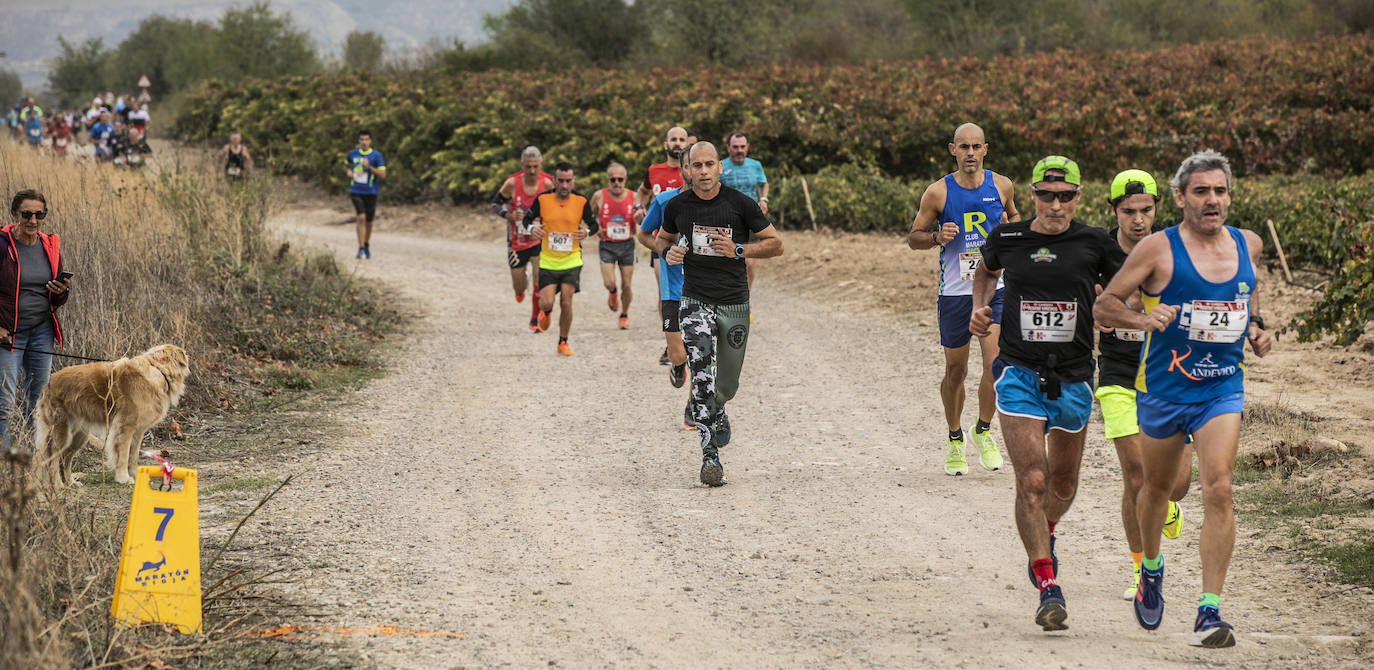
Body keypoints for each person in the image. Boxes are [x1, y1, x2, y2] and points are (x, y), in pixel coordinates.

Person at [1095, 150, 1273, 649]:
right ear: (1180, 198)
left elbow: (1249, 289)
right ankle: (1151, 566)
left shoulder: (1248, 243)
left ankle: (1208, 611)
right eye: (1201, 191)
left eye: (1219, 190)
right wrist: (1142, 319)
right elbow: (1105, 304)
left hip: (1221, 386)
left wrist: (1257, 327)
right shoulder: (1157, 248)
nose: (1212, 200)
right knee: (1156, 488)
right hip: (1164, 389)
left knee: (1218, 487)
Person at [970, 155, 1126, 632]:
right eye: (1046, 195)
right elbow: (984, 270)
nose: (1055, 204)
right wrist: (980, 308)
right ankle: (1047, 584)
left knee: (1062, 485)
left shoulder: (1096, 242)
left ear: (1079, 197)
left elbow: (1131, 287)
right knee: (1033, 481)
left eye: (1065, 196)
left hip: (1075, 377)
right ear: (1033, 195)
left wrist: (1113, 308)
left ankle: (1047, 531)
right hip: (1018, 372)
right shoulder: (1009, 238)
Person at [657, 142, 783, 486]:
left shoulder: (741, 205)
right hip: (695, 300)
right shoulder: (678, 206)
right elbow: (660, 238)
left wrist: (739, 249)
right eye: (696, 165)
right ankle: (709, 455)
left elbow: (776, 244)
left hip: (734, 303)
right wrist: (668, 251)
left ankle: (720, 407)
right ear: (688, 170)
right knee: (701, 376)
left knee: (726, 384)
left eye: (709, 164)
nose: (703, 171)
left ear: (720, 167)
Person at [1094, 169, 1193, 602]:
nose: (1138, 220)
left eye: (1146, 211)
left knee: (1176, 485)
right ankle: (1141, 569)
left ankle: (1165, 506)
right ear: (1113, 210)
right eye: (1129, 212)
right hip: (1117, 373)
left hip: (1170, 373)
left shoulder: (1175, 250)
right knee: (1135, 476)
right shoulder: (1097, 252)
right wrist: (1129, 311)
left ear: (1158, 209)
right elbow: (1097, 312)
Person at [907, 123, 1019, 476]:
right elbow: (913, 237)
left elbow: (1015, 217)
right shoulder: (938, 192)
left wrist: (1009, 226)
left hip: (994, 289)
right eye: (963, 147)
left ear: (985, 149)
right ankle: (955, 437)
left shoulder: (1001, 185)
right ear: (952, 150)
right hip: (955, 293)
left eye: (976, 147)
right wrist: (938, 237)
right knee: (956, 371)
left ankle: (982, 431)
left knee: (995, 365)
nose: (970, 153)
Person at [1, 190, 71, 445]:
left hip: (42, 331)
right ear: (14, 214)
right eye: (26, 214)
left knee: (38, 401)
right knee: (4, 402)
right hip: (9, 334)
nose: (33, 220)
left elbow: (58, 296)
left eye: (39, 215)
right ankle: (6, 465)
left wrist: (62, 292)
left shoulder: (49, 246)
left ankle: (33, 462)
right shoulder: (2, 244)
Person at [637, 156, 694, 415]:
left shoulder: (722, 203)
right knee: (679, 354)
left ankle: (694, 406)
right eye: (689, 165)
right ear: (681, 169)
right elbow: (643, 234)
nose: (695, 171)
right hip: (672, 290)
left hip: (704, 291)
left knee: (703, 355)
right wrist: (664, 249)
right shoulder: (663, 201)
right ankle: (677, 365)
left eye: (702, 164)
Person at [525, 162, 599, 356]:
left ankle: (562, 342)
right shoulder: (542, 200)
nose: (565, 185)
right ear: (554, 181)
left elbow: (594, 224)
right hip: (548, 261)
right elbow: (526, 220)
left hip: (572, 260)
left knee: (567, 301)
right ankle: (546, 313)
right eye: (561, 181)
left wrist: (587, 232)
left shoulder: (581, 201)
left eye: (568, 181)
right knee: (546, 303)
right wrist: (532, 229)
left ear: (573, 180)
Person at [638, 126, 691, 365]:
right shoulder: (654, 170)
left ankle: (685, 339)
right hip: (663, 242)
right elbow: (642, 192)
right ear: (665, 144)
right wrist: (639, 208)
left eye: (682, 139)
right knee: (667, 293)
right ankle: (671, 342)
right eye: (673, 139)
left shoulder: (694, 169)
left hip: (690, 242)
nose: (678, 143)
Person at [492, 146, 554, 332]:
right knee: (519, 287)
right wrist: (508, 215)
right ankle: (520, 288)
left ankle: (535, 319)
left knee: (539, 278)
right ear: (522, 165)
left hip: (538, 239)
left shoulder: (547, 184)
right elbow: (495, 203)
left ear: (540, 165)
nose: (532, 171)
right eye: (528, 167)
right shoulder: (512, 183)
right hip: (517, 242)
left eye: (536, 166)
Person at [719, 131, 770, 289]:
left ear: (747, 147)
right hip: (726, 221)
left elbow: (763, 183)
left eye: (742, 147)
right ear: (728, 148)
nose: (739, 150)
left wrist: (763, 199)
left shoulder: (755, 165)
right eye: (735, 147)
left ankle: (745, 299)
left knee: (748, 263)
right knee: (727, 262)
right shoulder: (720, 166)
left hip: (750, 220)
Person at [591, 163, 638, 329]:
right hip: (607, 245)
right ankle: (612, 293)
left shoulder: (634, 196)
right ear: (608, 180)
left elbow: (642, 217)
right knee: (609, 282)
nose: (616, 183)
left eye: (620, 179)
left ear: (625, 180)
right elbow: (590, 217)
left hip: (627, 245)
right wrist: (596, 229)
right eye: (613, 180)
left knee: (626, 284)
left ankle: (624, 315)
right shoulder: (599, 196)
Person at [344, 130, 387, 259]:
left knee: (369, 221)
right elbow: (346, 165)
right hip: (356, 190)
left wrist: (369, 168)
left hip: (371, 192)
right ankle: (361, 248)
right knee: (361, 217)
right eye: (361, 139)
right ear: (358, 141)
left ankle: (367, 244)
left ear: (370, 141)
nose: (364, 142)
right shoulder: (352, 154)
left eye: (366, 139)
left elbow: (383, 175)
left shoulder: (376, 156)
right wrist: (348, 172)